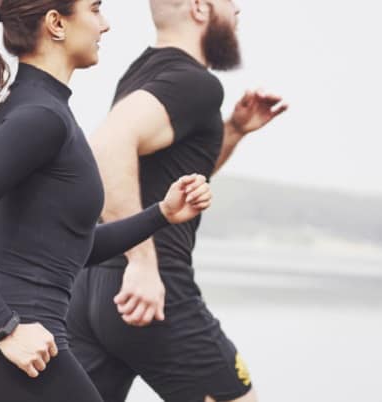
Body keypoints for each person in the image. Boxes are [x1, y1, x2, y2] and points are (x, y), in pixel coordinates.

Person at [0, 1, 214, 401]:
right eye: (95, 9)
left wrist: (161, 214)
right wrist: (5, 327)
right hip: (10, 354)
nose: (105, 25)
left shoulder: (32, 111)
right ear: (56, 23)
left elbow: (73, 249)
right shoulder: (42, 118)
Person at [67, 0, 288, 400]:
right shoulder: (195, 84)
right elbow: (105, 147)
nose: (238, 10)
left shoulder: (146, 70)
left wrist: (233, 131)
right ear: (200, 9)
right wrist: (142, 263)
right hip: (149, 289)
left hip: (95, 292)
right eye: (229, 2)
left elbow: (171, 180)